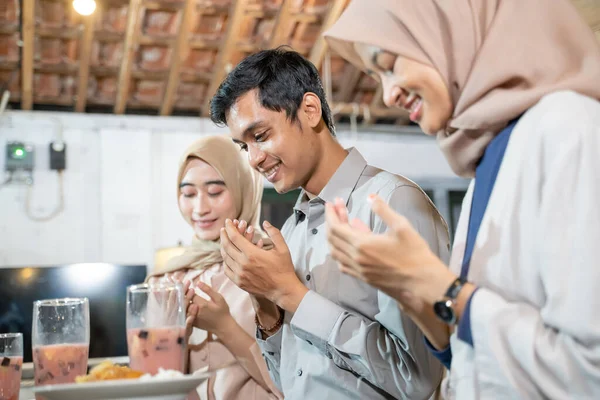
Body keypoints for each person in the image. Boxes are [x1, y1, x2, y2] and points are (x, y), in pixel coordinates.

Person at [322, 0, 600, 398]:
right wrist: (404, 283)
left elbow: (588, 370)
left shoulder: (568, 129)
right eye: (374, 75)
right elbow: (476, 361)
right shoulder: (485, 166)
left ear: (451, 30)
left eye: (388, 63)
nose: (388, 94)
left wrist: (436, 285)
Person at [210, 47, 449, 399]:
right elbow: (286, 382)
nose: (255, 159)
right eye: (244, 147)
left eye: (260, 136)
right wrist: (264, 302)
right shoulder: (290, 232)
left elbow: (419, 378)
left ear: (309, 110)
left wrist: (290, 294)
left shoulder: (392, 203)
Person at [147, 135, 281, 400]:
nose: (199, 208)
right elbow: (152, 384)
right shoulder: (168, 277)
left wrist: (224, 327)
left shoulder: (273, 264)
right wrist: (174, 341)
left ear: (244, 188)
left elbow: (294, 384)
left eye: (215, 192)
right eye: (188, 194)